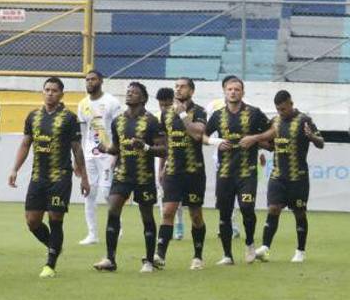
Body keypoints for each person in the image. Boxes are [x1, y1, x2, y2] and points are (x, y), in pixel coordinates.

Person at [7, 76, 89, 278]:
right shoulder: (33, 117)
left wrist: (84, 176)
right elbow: (26, 144)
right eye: (47, 89)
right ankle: (54, 245)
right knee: (32, 221)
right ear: (42, 92)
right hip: (38, 177)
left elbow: (76, 148)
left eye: (54, 90)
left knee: (55, 218)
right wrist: (14, 169)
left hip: (60, 177)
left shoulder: (69, 118)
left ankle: (50, 264)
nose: (50, 93)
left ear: (61, 94)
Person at [92, 83, 164, 274]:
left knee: (146, 216)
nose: (130, 94)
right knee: (113, 210)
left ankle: (149, 260)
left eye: (134, 93)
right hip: (122, 174)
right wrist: (104, 148)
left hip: (144, 176)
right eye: (128, 92)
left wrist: (146, 147)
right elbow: (117, 147)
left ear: (143, 98)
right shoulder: (118, 121)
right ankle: (110, 258)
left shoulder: (152, 121)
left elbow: (164, 150)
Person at [205, 75, 270, 265]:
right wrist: (215, 142)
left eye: (237, 89)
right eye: (230, 89)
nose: (233, 92)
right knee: (224, 214)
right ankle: (227, 255)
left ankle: (249, 243)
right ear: (224, 92)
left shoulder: (254, 113)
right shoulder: (217, 115)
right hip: (224, 172)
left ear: (242, 92)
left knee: (247, 209)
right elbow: (203, 136)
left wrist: (255, 138)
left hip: (247, 172)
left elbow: (272, 131)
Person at [256, 90, 323, 263]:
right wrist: (257, 144)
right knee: (273, 208)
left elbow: (321, 143)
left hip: (298, 177)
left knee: (299, 212)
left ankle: (300, 251)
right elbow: (271, 145)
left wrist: (312, 136)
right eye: (278, 109)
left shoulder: (304, 120)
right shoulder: (275, 121)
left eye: (283, 109)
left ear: (291, 104)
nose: (281, 112)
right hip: (278, 176)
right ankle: (265, 248)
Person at [154, 81, 208, 271]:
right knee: (168, 211)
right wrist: (162, 166)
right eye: (176, 86)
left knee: (195, 215)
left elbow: (197, 134)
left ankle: (198, 256)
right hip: (173, 171)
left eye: (182, 86)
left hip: (194, 172)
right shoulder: (165, 113)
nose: (178, 89)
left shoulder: (199, 111)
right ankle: (160, 255)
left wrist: (183, 114)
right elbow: (166, 142)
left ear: (191, 91)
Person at [77, 70, 122, 245]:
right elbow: (82, 133)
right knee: (88, 193)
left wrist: (116, 154)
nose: (89, 82)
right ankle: (92, 234)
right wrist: (78, 159)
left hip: (108, 154)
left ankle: (116, 225)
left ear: (101, 81)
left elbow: (119, 129)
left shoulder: (112, 102)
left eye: (93, 79)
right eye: (87, 80)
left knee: (106, 193)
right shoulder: (82, 104)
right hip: (89, 154)